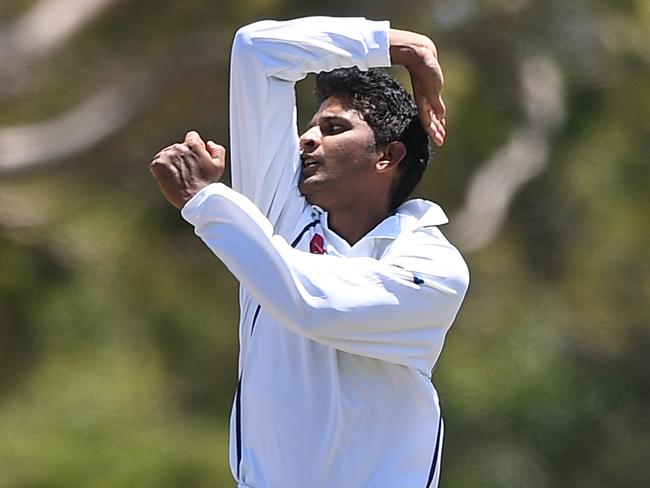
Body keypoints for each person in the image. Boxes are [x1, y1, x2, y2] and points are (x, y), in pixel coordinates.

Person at [150, 16, 469, 488]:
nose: (307, 138)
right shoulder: (280, 219)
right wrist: (396, 45)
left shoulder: (434, 269)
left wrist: (208, 203)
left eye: (335, 127)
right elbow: (256, 49)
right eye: (312, 125)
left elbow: (313, 303)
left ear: (388, 156)